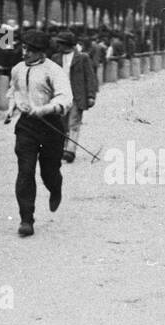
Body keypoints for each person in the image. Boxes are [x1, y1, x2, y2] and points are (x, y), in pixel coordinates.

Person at [6, 29, 71, 237]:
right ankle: (26, 219)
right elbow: (14, 91)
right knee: (25, 171)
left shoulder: (53, 70)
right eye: (24, 48)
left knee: (48, 171)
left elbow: (64, 98)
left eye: (31, 50)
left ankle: (55, 187)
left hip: (50, 125)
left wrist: (42, 109)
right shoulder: (17, 69)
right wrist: (11, 109)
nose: (25, 53)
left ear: (42, 53)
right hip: (26, 127)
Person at [52, 31, 97, 164]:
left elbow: (90, 77)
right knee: (60, 124)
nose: (58, 46)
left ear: (67, 45)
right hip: (60, 96)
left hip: (77, 97)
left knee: (74, 123)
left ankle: (70, 151)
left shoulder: (83, 58)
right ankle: (62, 148)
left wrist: (90, 95)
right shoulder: (55, 58)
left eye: (60, 43)